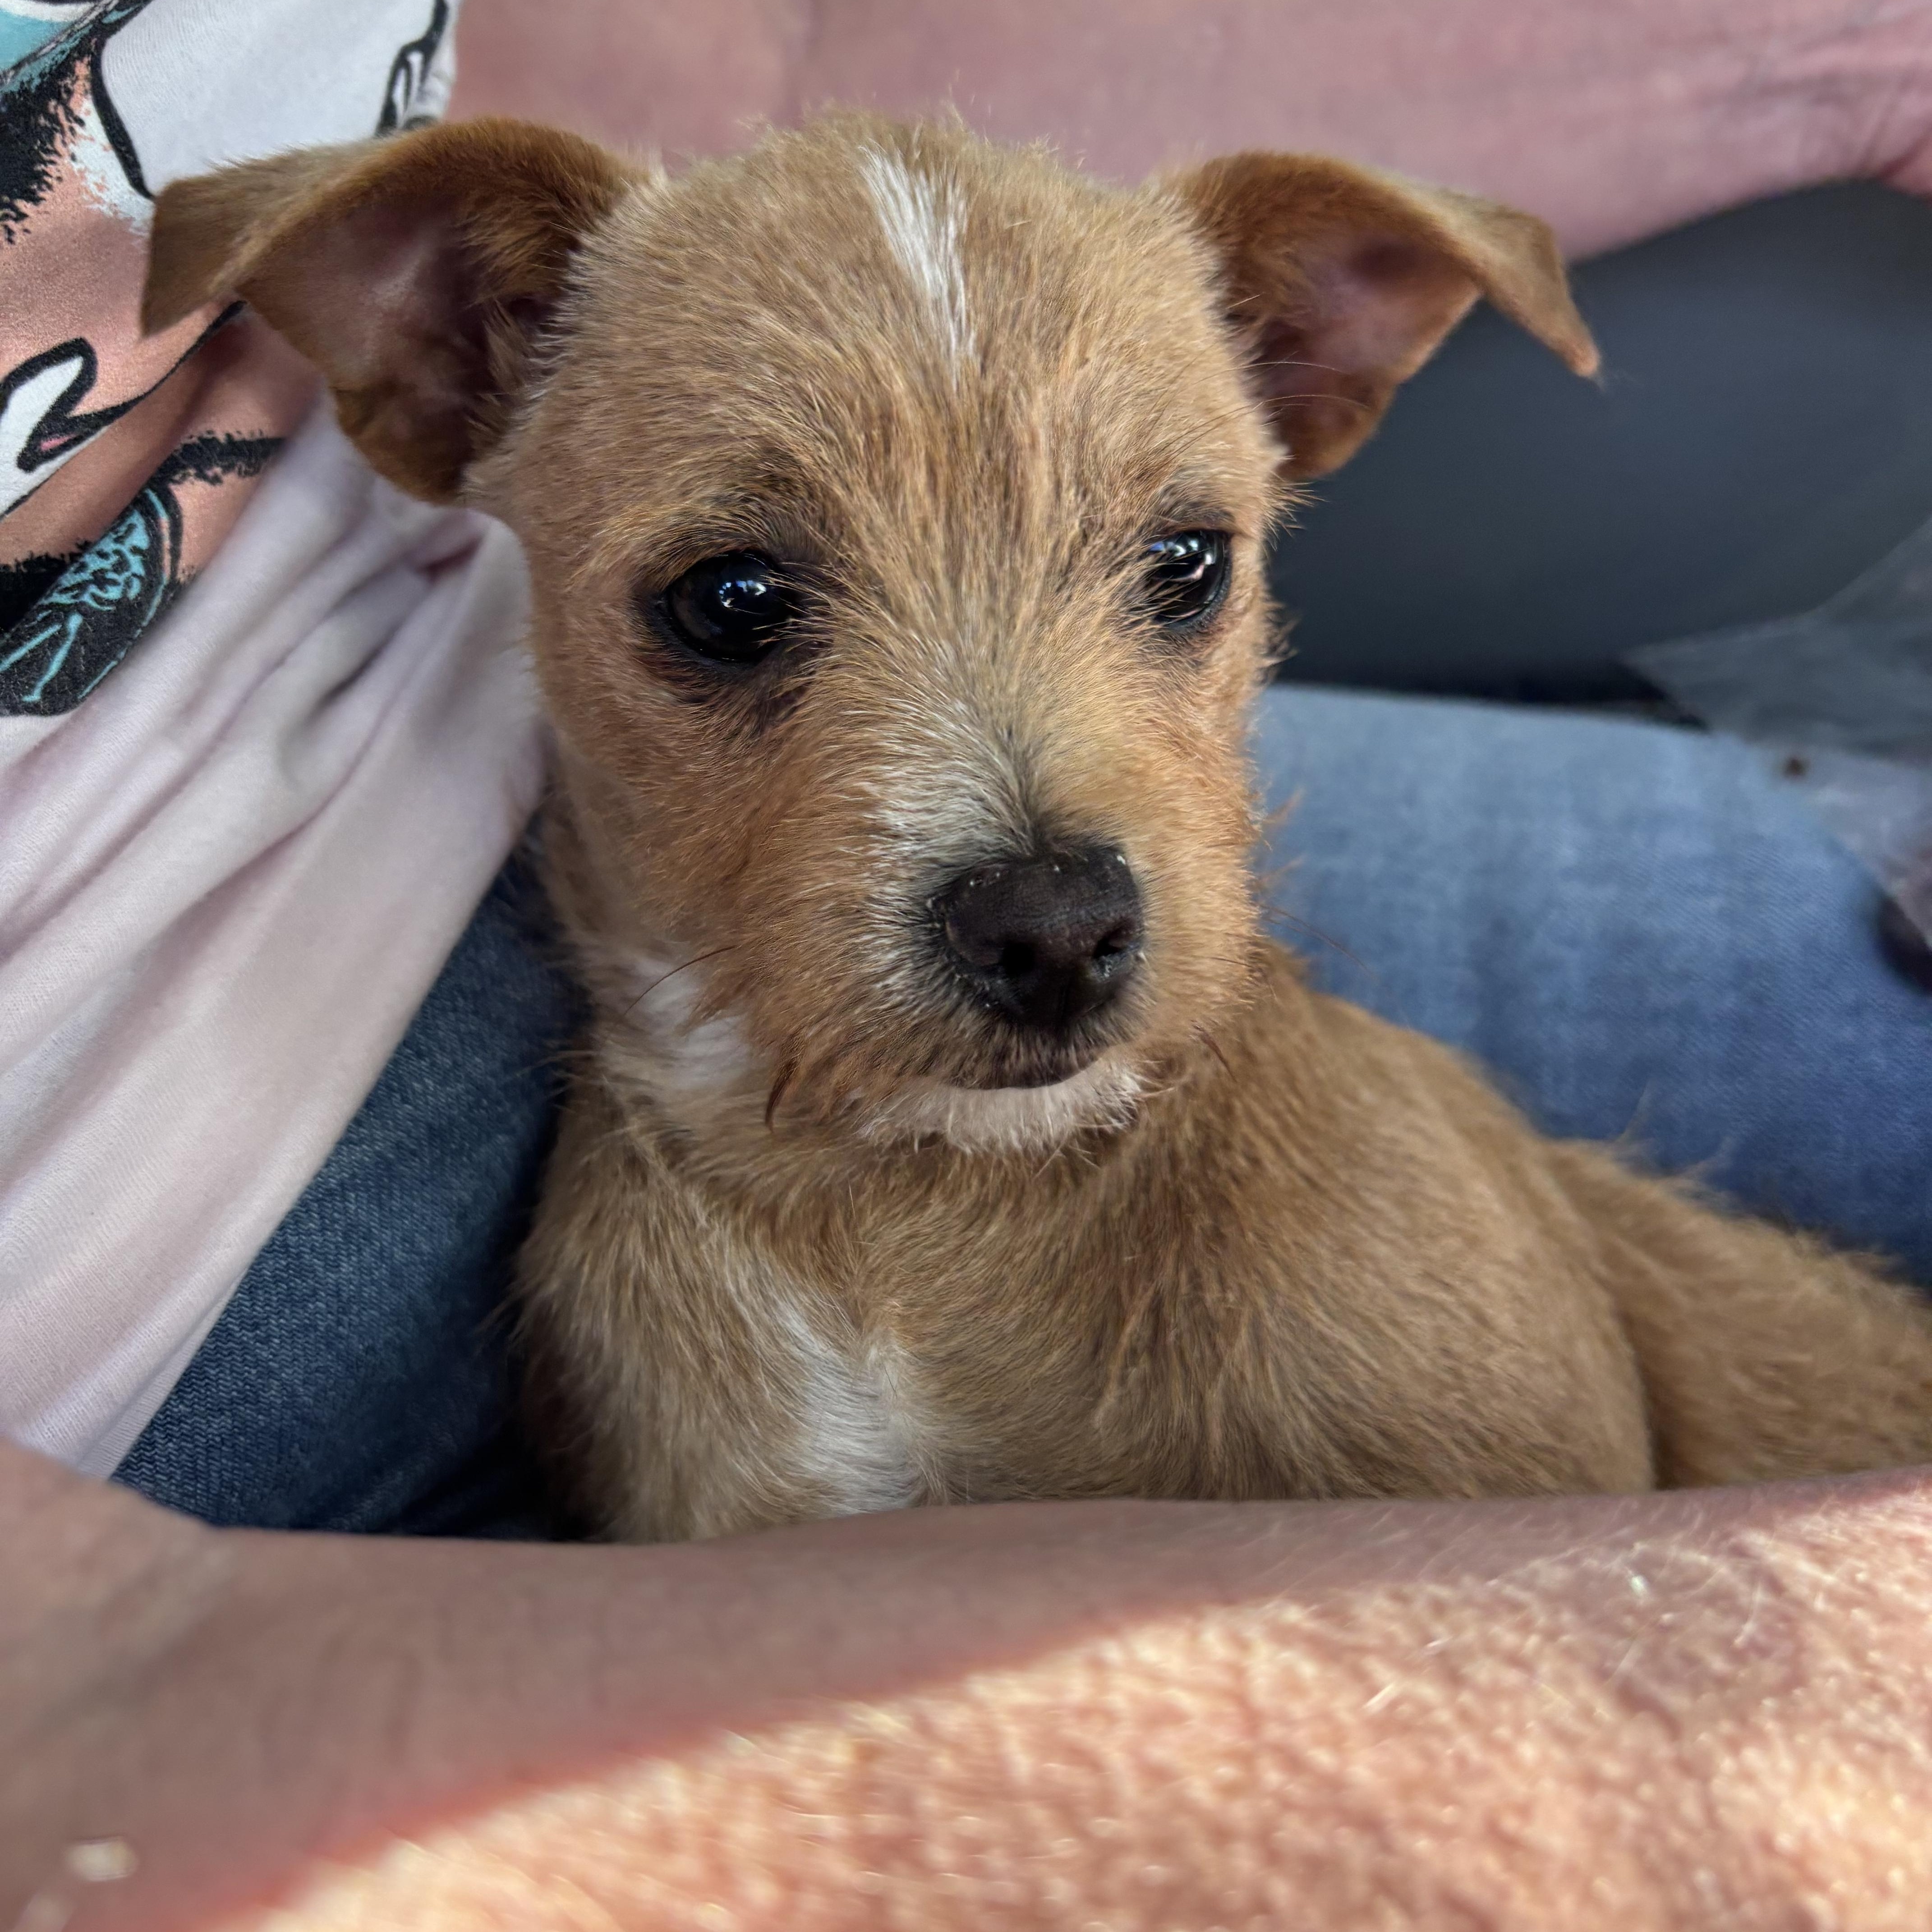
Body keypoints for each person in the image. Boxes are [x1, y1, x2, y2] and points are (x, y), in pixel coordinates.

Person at [5, 1, 1932, 1923]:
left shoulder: (1359, 1263)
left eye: (1177, 576)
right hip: (193, 1208)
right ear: (444, 355)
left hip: (439, 776)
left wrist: (1837, 53)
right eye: (739, 607)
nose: (1039, 880)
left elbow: (771, 70)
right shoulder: (622, 1317)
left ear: (1310, 376)